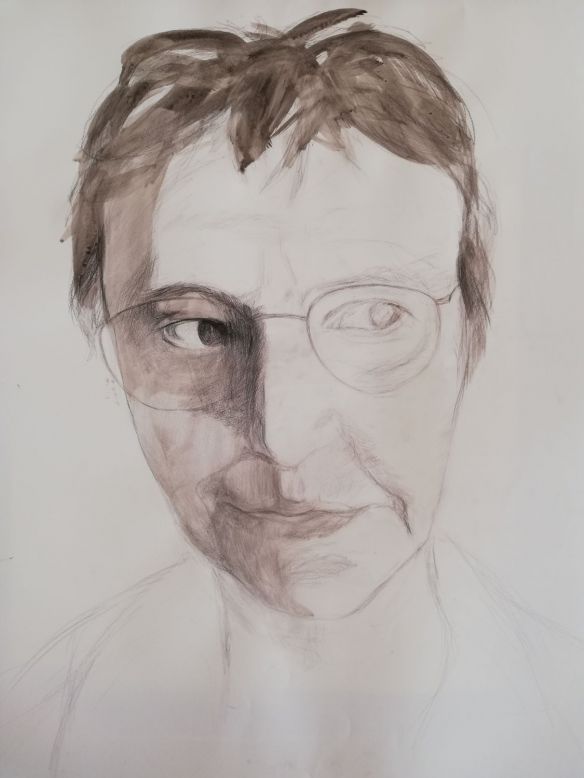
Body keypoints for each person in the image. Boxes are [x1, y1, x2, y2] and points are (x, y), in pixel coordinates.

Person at [4, 9, 583, 777]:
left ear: (471, 333)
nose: (282, 435)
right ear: (105, 341)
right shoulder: (45, 719)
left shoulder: (561, 713)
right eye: (196, 330)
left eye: (375, 316)